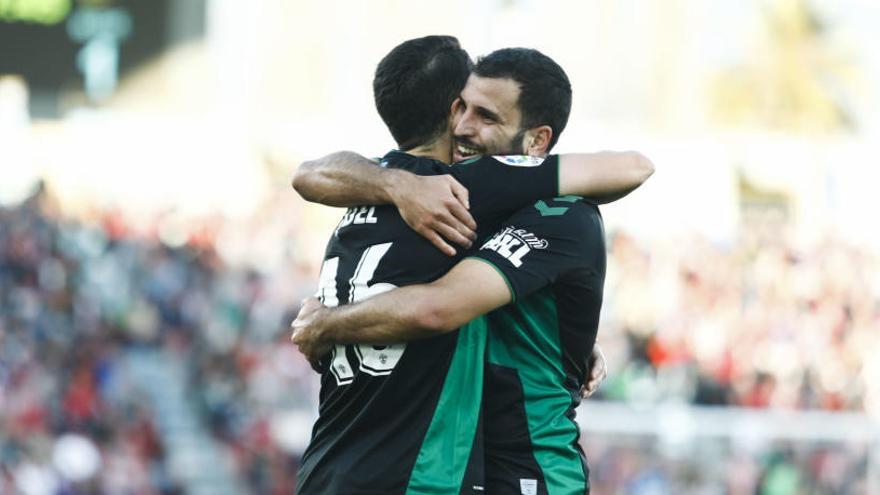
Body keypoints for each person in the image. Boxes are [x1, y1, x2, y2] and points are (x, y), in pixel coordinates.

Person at [292, 37, 652, 495]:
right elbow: (438, 306)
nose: (465, 127)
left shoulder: (367, 194)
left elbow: (307, 174)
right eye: (464, 110)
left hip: (526, 475)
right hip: (412, 471)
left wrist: (571, 336)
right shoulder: (455, 191)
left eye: (486, 116)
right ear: (447, 109)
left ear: (537, 140)